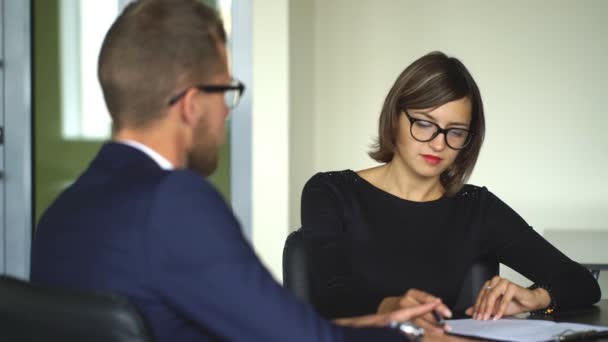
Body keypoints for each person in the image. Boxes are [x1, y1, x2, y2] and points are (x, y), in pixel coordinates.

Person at [29, 1, 445, 341]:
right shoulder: (175, 201)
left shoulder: (62, 212)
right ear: (191, 105)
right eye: (226, 90)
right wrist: (415, 336)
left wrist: (370, 323)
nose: (228, 110)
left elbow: (275, 332)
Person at [300, 51, 601, 332]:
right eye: (424, 124)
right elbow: (330, 296)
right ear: (395, 118)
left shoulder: (476, 208)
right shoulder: (330, 191)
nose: (439, 143)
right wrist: (390, 308)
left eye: (455, 131)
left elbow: (581, 283)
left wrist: (535, 297)